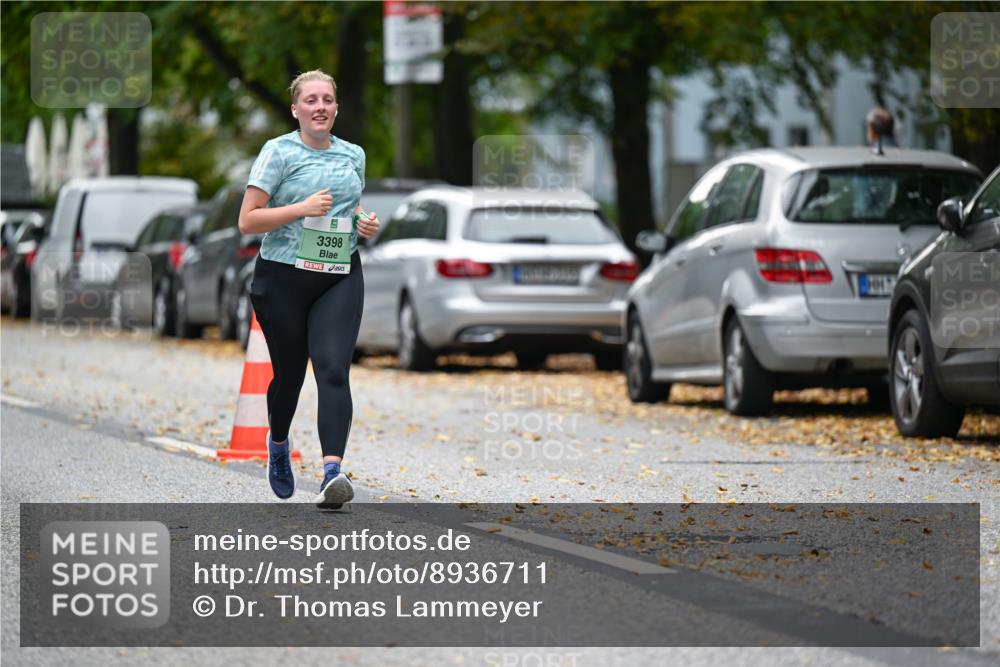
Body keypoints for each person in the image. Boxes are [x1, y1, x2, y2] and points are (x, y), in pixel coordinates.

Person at [237, 69, 381, 509]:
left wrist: (364, 222)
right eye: (311, 100)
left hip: (338, 273)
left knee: (334, 369)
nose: (320, 107)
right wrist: (300, 208)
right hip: (282, 276)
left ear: (337, 107)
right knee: (291, 378)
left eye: (328, 100)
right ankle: (277, 443)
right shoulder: (277, 152)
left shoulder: (352, 154)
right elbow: (248, 219)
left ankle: (332, 473)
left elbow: (348, 205)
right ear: (296, 108)